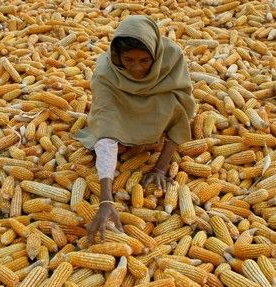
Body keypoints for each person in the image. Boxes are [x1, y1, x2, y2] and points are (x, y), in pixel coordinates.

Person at [74, 15, 195, 244]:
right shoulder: (106, 72)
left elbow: (181, 114)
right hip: (122, 108)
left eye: (144, 60)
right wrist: (106, 199)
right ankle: (131, 130)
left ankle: (148, 129)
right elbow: (107, 127)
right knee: (107, 140)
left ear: (156, 54)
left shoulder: (171, 59)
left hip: (157, 107)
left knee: (172, 100)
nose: (136, 68)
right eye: (128, 60)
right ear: (117, 56)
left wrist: (160, 169)